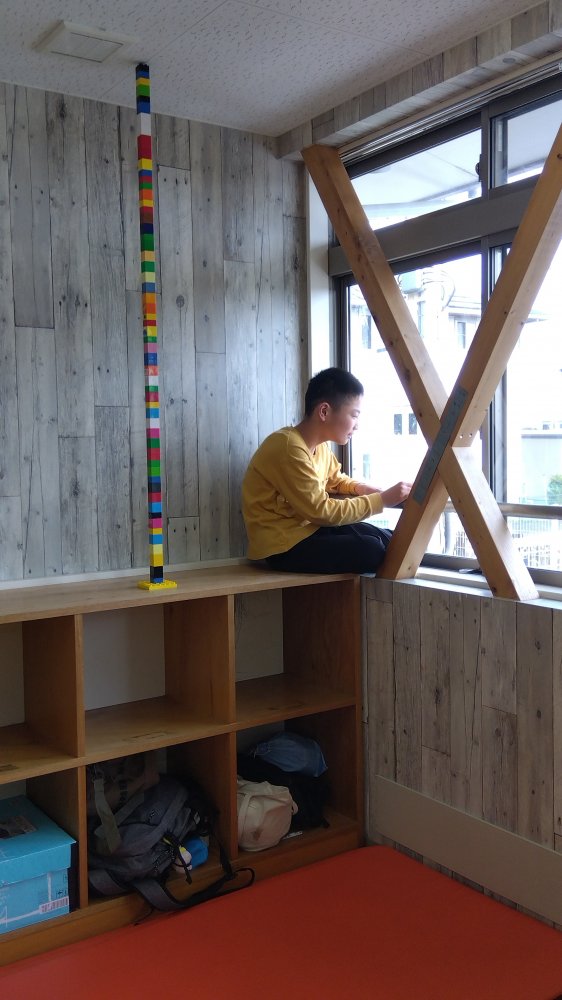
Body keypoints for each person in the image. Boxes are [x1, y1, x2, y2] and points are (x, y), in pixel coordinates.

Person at [241, 367, 411, 574]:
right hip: (282, 546)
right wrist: (382, 500)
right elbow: (321, 511)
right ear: (324, 411)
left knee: (391, 540)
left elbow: (335, 480)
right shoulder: (288, 447)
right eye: (354, 415)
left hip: (311, 530)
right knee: (372, 549)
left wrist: (362, 488)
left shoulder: (319, 447)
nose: (357, 426)